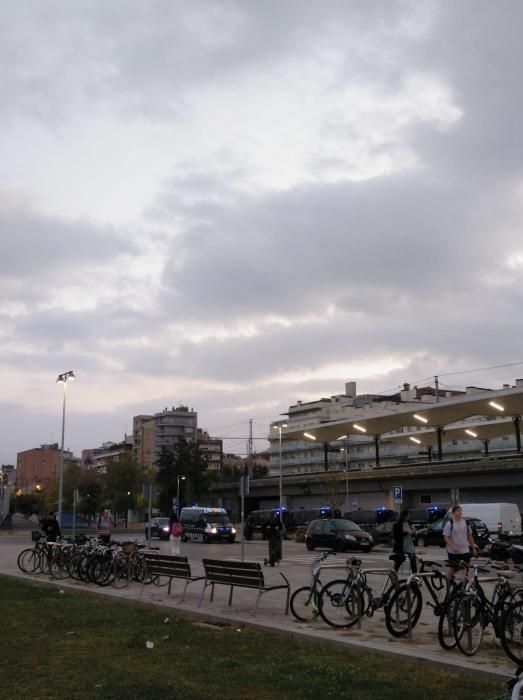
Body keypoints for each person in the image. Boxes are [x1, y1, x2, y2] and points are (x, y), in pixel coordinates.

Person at [443, 504, 479, 578]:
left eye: (461, 511)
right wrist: (452, 546)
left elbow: (470, 536)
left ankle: (465, 584)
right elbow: (446, 537)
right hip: (453, 551)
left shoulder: (466, 523)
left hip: (464, 550)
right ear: (453, 513)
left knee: (466, 567)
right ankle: (448, 582)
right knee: (452, 568)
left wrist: (474, 548)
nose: (460, 512)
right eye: (458, 511)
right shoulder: (450, 523)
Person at [392, 509, 417, 574]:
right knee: (398, 562)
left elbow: (413, 533)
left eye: (409, 516)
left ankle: (415, 577)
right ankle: (394, 575)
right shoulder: (397, 524)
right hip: (401, 546)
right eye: (408, 516)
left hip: (409, 545)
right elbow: (397, 535)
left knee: (413, 562)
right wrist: (407, 532)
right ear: (404, 516)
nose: (409, 517)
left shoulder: (409, 523)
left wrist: (414, 532)